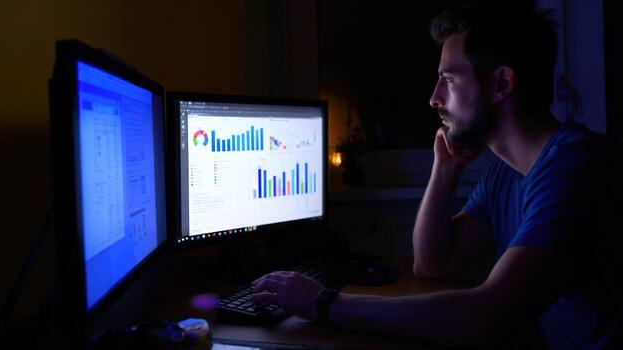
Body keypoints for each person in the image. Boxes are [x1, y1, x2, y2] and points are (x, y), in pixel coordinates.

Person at [252, 0, 622, 347]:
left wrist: (324, 302)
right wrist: (444, 170)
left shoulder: (575, 166)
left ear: (502, 84)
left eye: (448, 79)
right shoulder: (506, 174)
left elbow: (486, 315)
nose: (433, 98)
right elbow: (432, 263)